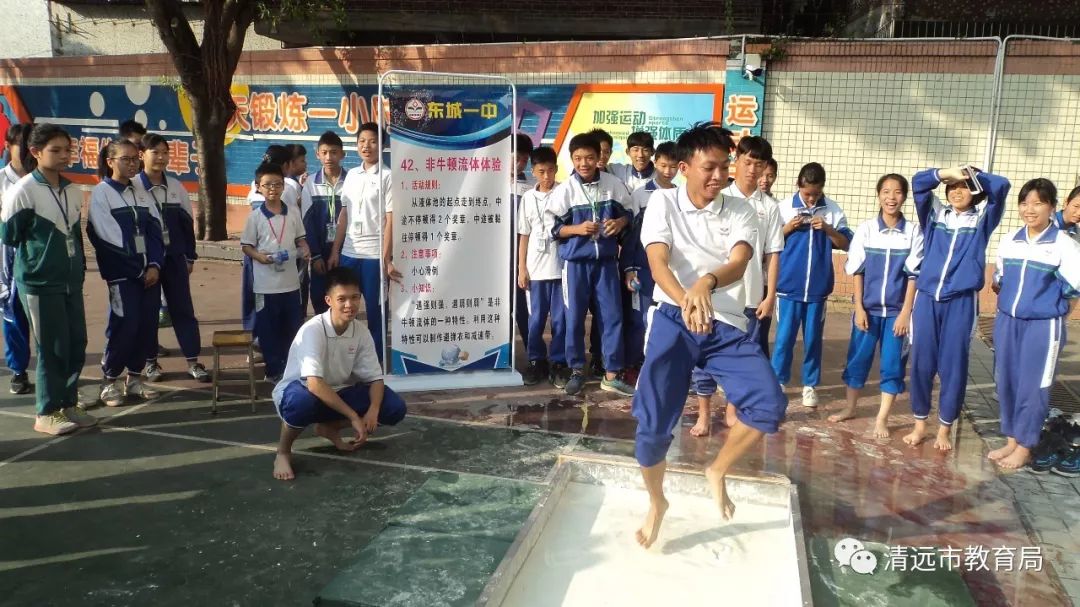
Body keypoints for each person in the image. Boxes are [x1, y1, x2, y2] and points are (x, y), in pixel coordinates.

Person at [631, 123, 787, 549]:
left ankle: (717, 469)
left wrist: (706, 283)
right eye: (709, 168)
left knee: (768, 405)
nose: (719, 176)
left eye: (724, 167)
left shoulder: (740, 210)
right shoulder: (662, 203)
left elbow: (739, 260)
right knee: (651, 426)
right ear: (684, 168)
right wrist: (687, 299)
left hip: (725, 323)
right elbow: (658, 262)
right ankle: (656, 502)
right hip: (672, 316)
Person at [0, 123, 96, 434]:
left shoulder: (72, 189)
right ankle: (46, 411)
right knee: (51, 347)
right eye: (55, 150)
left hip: (69, 281)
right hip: (39, 283)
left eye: (67, 149)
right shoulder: (23, 191)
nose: (64, 156)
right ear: (35, 152)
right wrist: (39, 261)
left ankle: (67, 403)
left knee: (75, 343)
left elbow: (75, 237)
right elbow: (9, 237)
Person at [906, 165, 1009, 451]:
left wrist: (972, 175)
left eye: (963, 187)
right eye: (952, 187)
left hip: (961, 302)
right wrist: (945, 173)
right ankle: (919, 425)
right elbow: (918, 184)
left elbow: (1001, 187)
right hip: (927, 298)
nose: (956, 192)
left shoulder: (982, 220)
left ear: (975, 192)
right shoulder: (935, 215)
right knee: (921, 364)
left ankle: (944, 429)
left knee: (953, 367)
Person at [272, 267, 408, 481]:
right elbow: (314, 384)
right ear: (328, 300)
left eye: (355, 297)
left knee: (393, 407)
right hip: (302, 391)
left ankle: (329, 428)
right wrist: (354, 416)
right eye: (342, 299)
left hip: (340, 393)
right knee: (301, 402)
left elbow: (375, 377)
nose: (349, 305)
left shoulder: (361, 332)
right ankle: (283, 452)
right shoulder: (313, 330)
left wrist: (372, 410)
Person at [691, 136, 784, 435]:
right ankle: (703, 414)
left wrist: (770, 296)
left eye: (759, 164)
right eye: (747, 162)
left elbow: (773, 253)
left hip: (752, 297)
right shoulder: (719, 198)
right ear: (737, 161)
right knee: (704, 357)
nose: (753, 170)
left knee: (743, 359)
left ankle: (732, 411)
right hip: (717, 297)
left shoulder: (769, 207)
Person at [990, 179, 1080, 470]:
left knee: (1034, 387)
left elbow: (1074, 287)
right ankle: (1013, 439)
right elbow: (1000, 279)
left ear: (1052, 207)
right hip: (1007, 322)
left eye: (1038, 203)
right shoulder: (1010, 240)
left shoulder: (1063, 244)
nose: (1030, 209)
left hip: (1043, 326)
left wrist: (1055, 314)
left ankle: (1026, 446)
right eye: (1025, 202)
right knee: (1007, 382)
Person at [827, 174, 922, 437]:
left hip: (896, 314)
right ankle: (850, 407)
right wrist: (858, 307)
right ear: (878, 195)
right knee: (858, 359)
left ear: (904, 197)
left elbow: (914, 276)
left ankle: (882, 418)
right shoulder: (867, 230)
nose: (892, 197)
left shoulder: (913, 232)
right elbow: (858, 271)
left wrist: (906, 313)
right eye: (886, 192)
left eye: (898, 192)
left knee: (892, 364)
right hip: (867, 312)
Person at [548, 133, 634, 397]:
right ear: (571, 160)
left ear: (599, 158)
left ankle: (612, 373)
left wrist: (619, 223)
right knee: (573, 318)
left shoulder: (613, 184)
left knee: (612, 317)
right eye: (577, 158)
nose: (583, 163)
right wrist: (577, 228)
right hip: (575, 266)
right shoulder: (565, 190)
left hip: (607, 264)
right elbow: (554, 230)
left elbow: (629, 213)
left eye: (589, 157)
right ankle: (576, 370)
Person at [88, 139, 164, 407]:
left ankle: (134, 378)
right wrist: (137, 269)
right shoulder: (102, 194)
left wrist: (154, 265)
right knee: (125, 325)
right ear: (110, 162)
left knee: (146, 326)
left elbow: (155, 229)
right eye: (126, 159)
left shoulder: (141, 192)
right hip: (123, 276)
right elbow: (108, 238)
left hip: (149, 275)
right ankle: (109, 380)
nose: (133, 164)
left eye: (135, 159)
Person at [772, 162, 852, 408]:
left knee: (813, 339)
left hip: (818, 289)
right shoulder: (783, 207)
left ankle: (810, 385)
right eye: (807, 194)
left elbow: (847, 243)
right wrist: (788, 227)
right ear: (799, 186)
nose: (811, 199)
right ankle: (778, 382)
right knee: (784, 338)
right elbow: (769, 240)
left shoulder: (832, 210)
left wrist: (827, 229)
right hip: (788, 288)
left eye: (816, 194)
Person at [133, 133, 209, 383]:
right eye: (156, 152)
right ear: (142, 154)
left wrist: (190, 257)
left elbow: (187, 225)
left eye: (165, 153)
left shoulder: (176, 187)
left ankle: (193, 360)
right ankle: (151, 362)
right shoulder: (133, 187)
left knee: (183, 310)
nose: (162, 157)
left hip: (175, 259)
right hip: (146, 263)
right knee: (148, 312)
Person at [328, 122, 398, 363]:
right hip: (349, 253)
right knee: (345, 310)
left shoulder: (388, 176)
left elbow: (392, 220)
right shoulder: (352, 176)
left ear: (382, 145)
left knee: (377, 313)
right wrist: (335, 250)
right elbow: (344, 215)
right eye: (361, 141)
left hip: (373, 256)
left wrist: (386, 258)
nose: (366, 146)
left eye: (372, 141)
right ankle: (345, 359)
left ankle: (376, 363)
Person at [241, 162, 310, 383]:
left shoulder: (293, 212)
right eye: (267, 184)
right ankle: (272, 370)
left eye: (278, 184)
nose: (273, 188)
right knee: (268, 329)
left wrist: (305, 248)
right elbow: (246, 246)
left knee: (291, 327)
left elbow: (300, 238)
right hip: (265, 284)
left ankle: (291, 369)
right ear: (258, 187)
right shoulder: (255, 217)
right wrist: (260, 257)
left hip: (290, 282)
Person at [620, 141, 677, 380]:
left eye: (672, 166)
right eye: (663, 165)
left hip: (671, 270)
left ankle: (660, 364)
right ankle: (635, 365)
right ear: (656, 163)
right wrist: (629, 268)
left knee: (666, 318)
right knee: (639, 319)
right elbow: (631, 236)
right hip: (642, 268)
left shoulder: (680, 194)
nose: (667, 171)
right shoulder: (641, 193)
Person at [517, 146, 569, 386]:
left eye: (550, 171)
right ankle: (537, 361)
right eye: (541, 171)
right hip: (535, 269)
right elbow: (524, 235)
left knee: (560, 319)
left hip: (562, 269)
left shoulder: (566, 192)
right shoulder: (527, 197)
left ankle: (559, 361)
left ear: (556, 169)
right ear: (533, 171)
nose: (547, 176)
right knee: (535, 319)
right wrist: (521, 268)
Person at [0, 123, 32, 395]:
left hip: (39, 260)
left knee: (49, 320)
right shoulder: (1, 180)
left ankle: (55, 372)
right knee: (13, 316)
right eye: (21, 144)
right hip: (8, 262)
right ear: (9, 146)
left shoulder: (45, 181)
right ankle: (18, 370)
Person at [302, 132, 348, 314]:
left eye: (334, 152)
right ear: (318, 154)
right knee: (320, 296)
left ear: (342, 154)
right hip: (319, 250)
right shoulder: (311, 183)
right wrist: (315, 255)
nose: (329, 157)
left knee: (343, 294)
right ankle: (324, 336)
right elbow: (306, 221)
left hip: (345, 250)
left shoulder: (351, 180)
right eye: (325, 152)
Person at [512, 133, 536, 352]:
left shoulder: (532, 188)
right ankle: (500, 359)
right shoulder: (486, 185)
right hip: (494, 261)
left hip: (524, 261)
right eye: (515, 157)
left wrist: (523, 265)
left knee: (526, 310)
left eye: (524, 160)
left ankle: (534, 356)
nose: (519, 163)